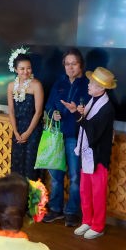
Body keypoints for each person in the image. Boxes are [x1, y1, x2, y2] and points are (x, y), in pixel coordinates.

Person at [63, 67, 116, 240]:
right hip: (86, 154)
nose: (89, 85)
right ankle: (87, 220)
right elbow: (84, 125)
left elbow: (94, 132)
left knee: (98, 193)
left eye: (92, 83)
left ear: (102, 88)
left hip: (98, 156)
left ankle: (98, 225)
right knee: (85, 190)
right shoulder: (91, 101)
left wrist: (78, 116)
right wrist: (77, 113)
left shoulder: (107, 108)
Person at [43, 48, 90, 227]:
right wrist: (53, 113)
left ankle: (71, 211)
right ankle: (55, 209)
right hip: (57, 136)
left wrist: (78, 110)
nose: (70, 67)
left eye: (74, 64)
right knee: (56, 175)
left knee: (75, 176)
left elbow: (91, 112)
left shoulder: (87, 85)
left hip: (75, 137)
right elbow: (49, 106)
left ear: (81, 65)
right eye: (67, 64)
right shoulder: (59, 83)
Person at [7, 52, 44, 181]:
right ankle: (17, 192)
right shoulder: (11, 86)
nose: (26, 71)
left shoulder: (36, 85)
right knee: (17, 163)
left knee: (30, 164)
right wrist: (16, 132)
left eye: (28, 68)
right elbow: (11, 111)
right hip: (18, 129)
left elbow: (38, 112)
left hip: (32, 129)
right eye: (22, 68)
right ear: (16, 69)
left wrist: (28, 133)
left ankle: (32, 193)